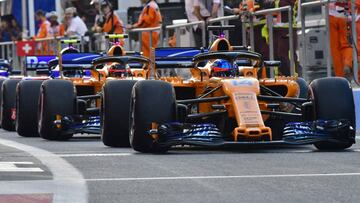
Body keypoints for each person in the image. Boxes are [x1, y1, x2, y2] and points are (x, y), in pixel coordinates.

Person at [329, 1, 353, 80]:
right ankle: (347, 63)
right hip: (344, 15)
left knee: (334, 49)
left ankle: (340, 77)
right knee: (346, 44)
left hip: (331, 15)